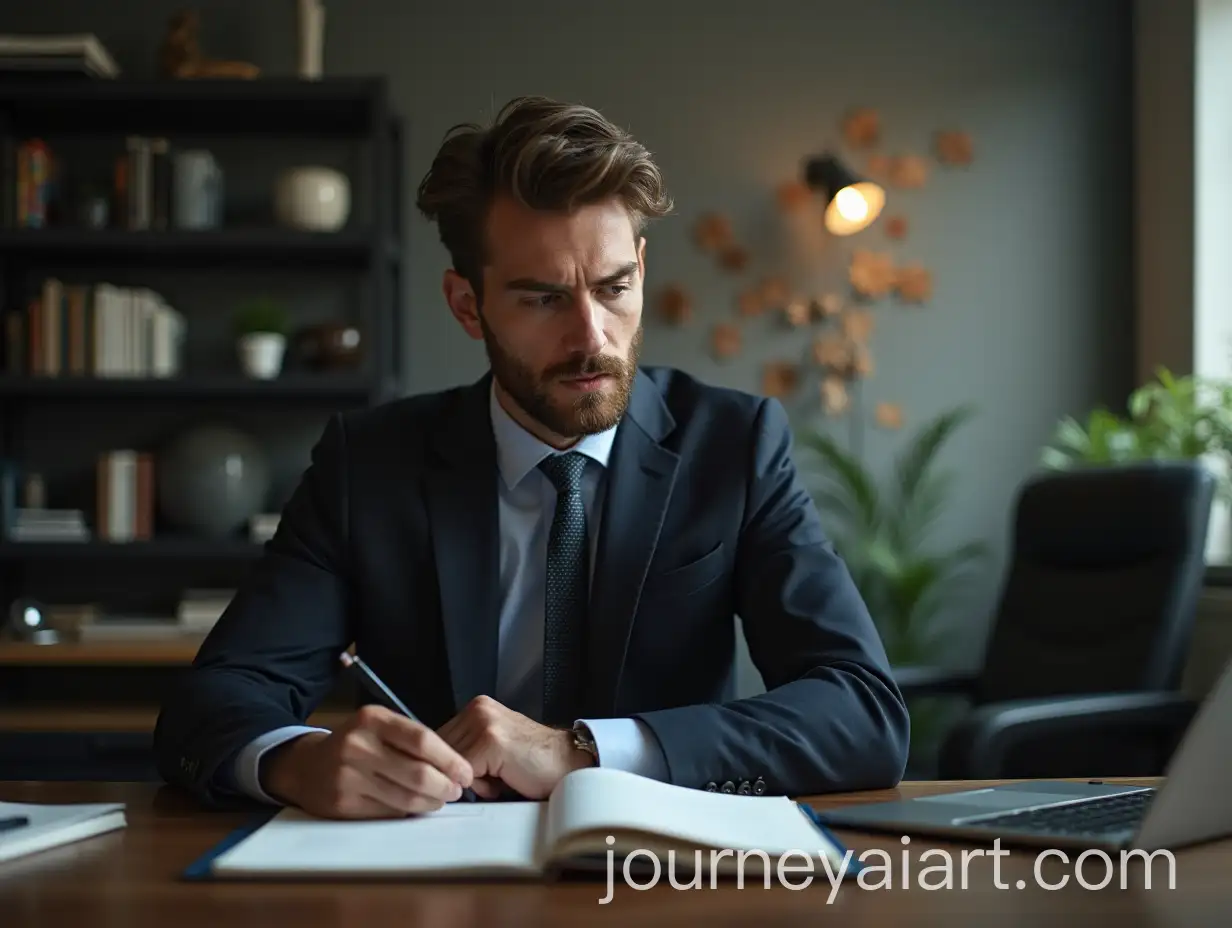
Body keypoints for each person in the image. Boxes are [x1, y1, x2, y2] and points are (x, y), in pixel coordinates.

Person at [153, 95, 910, 817]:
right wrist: (295, 761)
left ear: (641, 271)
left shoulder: (735, 447)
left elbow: (861, 711)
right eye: (543, 298)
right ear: (465, 304)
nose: (591, 338)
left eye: (614, 288)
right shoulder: (368, 466)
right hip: (428, 883)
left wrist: (581, 753)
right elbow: (213, 704)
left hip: (663, 883)